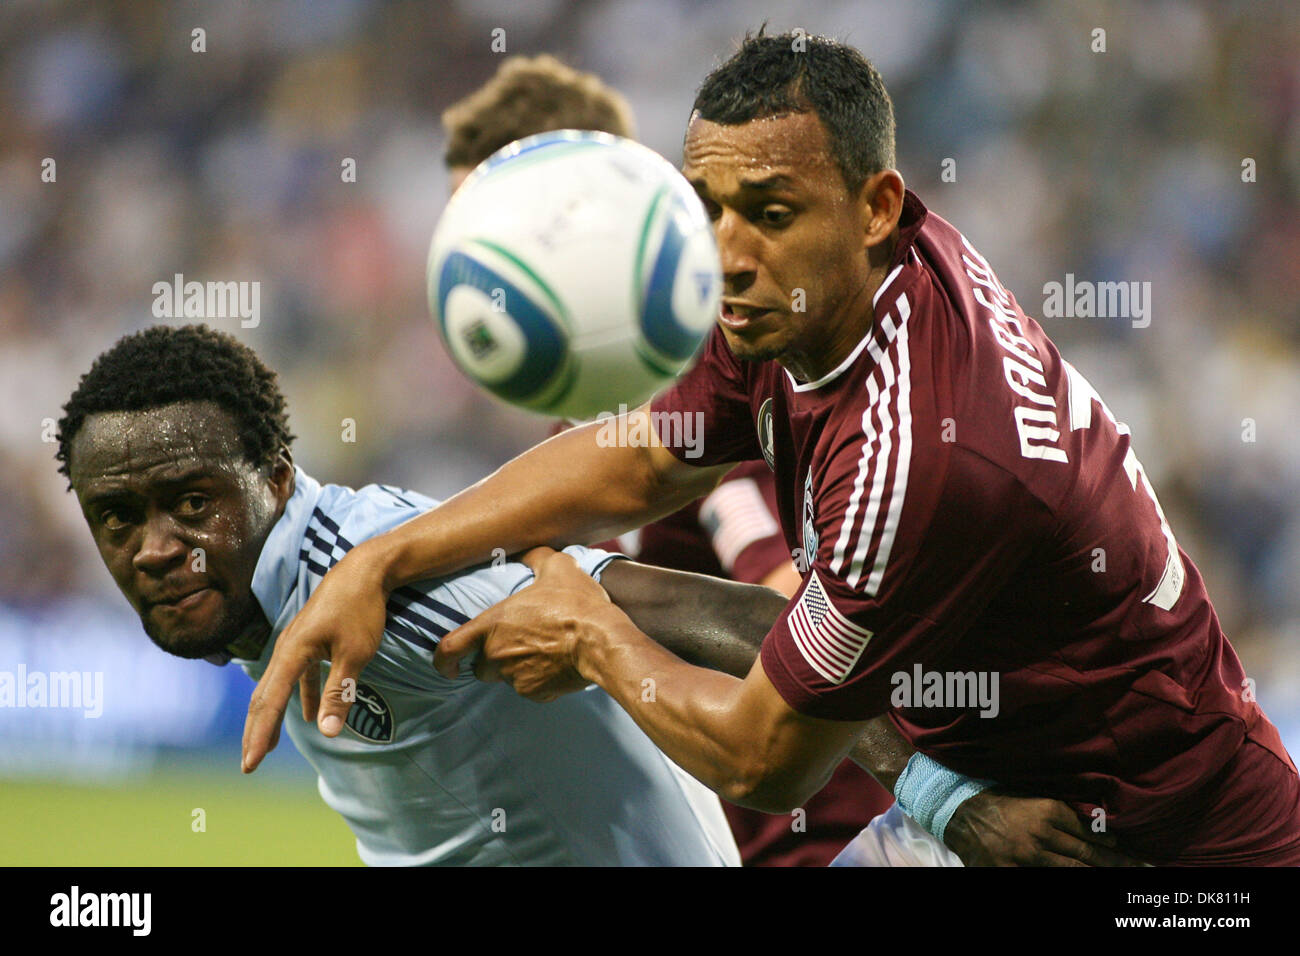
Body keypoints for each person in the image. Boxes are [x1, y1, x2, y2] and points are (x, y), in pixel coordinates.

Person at [242, 33, 1300, 865]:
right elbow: (645, 459)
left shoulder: (917, 455)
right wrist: (385, 557)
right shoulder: (812, 294)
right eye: (705, 208)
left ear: (875, 205)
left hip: (1160, 839)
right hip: (996, 794)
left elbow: (763, 755)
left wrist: (592, 634)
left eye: (769, 212)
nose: (727, 252)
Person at [56, 323, 746, 866]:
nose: (155, 548)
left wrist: (839, 728)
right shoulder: (291, 593)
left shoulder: (381, 585)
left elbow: (723, 615)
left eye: (194, 501)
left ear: (276, 479)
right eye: (117, 517)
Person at [441, 53, 895, 866]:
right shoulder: (579, 441)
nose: (466, 277)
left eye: (492, 240)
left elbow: (798, 616)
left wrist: (597, 640)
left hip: (820, 843)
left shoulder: (714, 404)